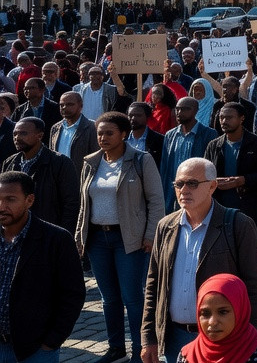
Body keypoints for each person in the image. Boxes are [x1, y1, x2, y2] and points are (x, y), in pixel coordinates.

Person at [141, 158, 257, 363]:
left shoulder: (238, 225)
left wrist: (246, 341)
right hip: (174, 338)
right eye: (179, 184)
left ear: (212, 186)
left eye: (192, 183)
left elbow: (256, 287)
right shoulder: (165, 226)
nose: (184, 190)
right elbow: (153, 285)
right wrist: (148, 338)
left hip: (224, 341)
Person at [74, 112, 164, 363]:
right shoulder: (91, 162)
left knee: (132, 298)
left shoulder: (141, 160)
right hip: (97, 240)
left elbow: (156, 201)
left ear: (123, 134)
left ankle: (140, 350)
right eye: (100, 133)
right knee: (109, 298)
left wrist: (150, 235)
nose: (103, 137)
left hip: (129, 239)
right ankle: (116, 348)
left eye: (109, 133)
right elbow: (84, 204)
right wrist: (79, 236)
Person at [0, 170, 84, 363]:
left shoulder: (56, 240)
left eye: (10, 199)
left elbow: (73, 294)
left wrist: (51, 342)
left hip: (34, 350)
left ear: (29, 200)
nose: (2, 206)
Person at [202, 103, 257, 240]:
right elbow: (205, 174)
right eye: (221, 117)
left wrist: (243, 180)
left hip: (249, 209)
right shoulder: (214, 145)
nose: (224, 121)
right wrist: (214, 182)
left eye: (229, 117)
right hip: (220, 209)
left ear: (242, 118)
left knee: (250, 248)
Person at [176, 274, 257, 363]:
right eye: (205, 314)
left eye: (223, 312)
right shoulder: (187, 356)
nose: (212, 322)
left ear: (240, 311)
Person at [1, 116, 79, 232]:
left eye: (23, 133)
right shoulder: (9, 163)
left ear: (40, 136)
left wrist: (63, 236)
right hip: (15, 232)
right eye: (15, 134)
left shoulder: (60, 163)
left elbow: (71, 204)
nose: (17, 138)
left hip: (47, 233)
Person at [160, 98, 217, 212]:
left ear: (195, 110)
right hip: (173, 190)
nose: (179, 112)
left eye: (185, 109)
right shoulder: (170, 135)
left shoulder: (208, 134)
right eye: (177, 109)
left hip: (196, 189)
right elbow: (164, 166)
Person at [49, 89, 96, 172]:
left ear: (81, 106)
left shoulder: (92, 127)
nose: (64, 107)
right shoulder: (55, 128)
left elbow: (96, 157)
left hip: (80, 176)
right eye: (61, 105)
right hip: (59, 176)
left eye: (70, 104)